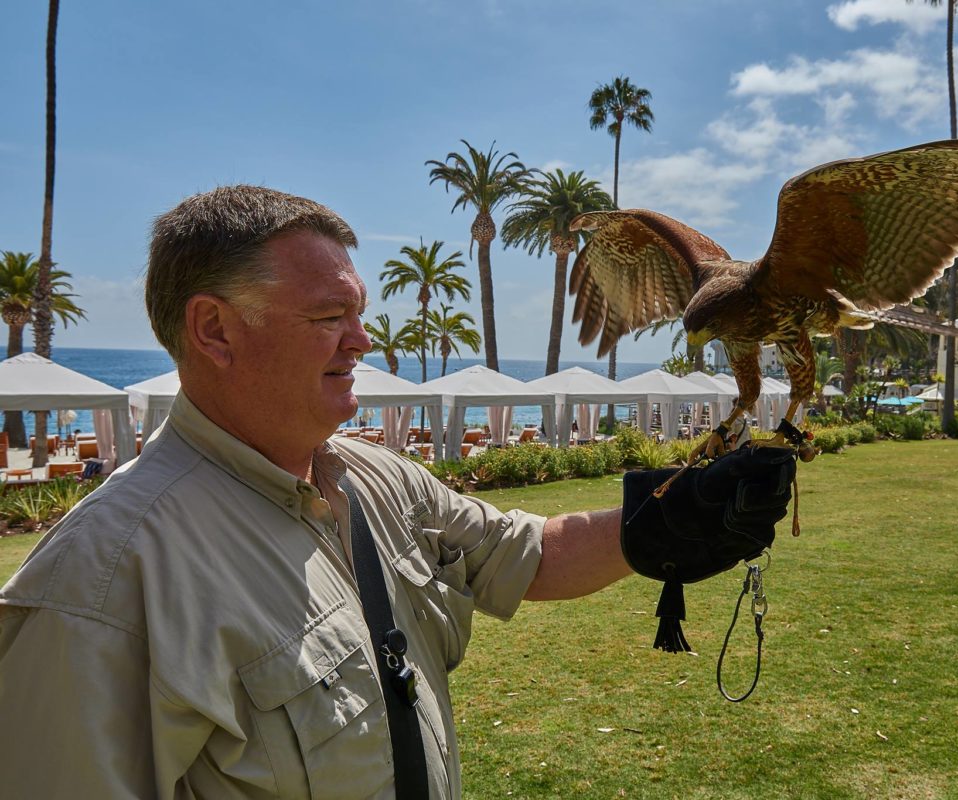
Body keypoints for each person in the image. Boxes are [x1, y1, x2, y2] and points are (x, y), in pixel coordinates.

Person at [0, 186, 793, 798]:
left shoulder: (375, 477)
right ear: (214, 331)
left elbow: (526, 555)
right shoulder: (104, 581)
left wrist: (676, 513)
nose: (364, 339)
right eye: (329, 315)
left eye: (361, 312)